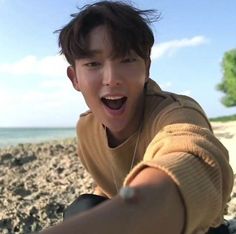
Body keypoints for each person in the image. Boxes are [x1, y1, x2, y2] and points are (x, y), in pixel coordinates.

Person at [40, 1, 234, 233]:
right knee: (81, 208)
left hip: (195, 228)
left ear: (147, 68)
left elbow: (192, 159)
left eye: (127, 59)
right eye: (93, 64)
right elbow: (112, 184)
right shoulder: (86, 129)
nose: (112, 78)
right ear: (75, 79)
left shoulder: (175, 113)